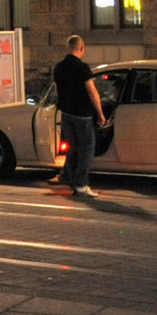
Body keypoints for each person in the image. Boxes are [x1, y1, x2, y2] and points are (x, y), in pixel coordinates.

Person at [53, 34, 106, 198]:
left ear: (67, 48)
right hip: (82, 115)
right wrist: (100, 114)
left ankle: (72, 182)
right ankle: (82, 184)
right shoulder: (82, 68)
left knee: (72, 149)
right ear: (81, 48)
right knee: (87, 149)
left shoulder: (59, 67)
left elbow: (56, 91)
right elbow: (92, 92)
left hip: (66, 114)